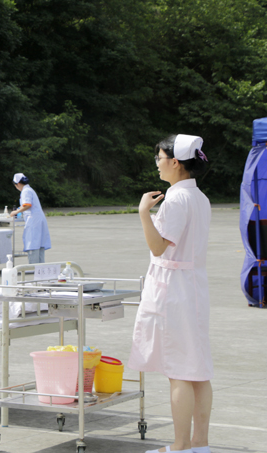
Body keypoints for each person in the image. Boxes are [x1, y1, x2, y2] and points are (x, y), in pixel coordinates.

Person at [130, 134, 212, 453]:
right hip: (192, 286)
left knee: (178, 370)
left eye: (160, 158)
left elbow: (158, 247)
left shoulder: (176, 199)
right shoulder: (199, 198)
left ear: (174, 162)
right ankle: (199, 444)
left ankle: (179, 446)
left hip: (174, 291)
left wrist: (143, 213)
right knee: (198, 369)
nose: (158, 163)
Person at [9, 174, 51, 264]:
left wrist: (15, 212)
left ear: (18, 184)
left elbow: (27, 205)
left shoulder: (25, 191)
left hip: (34, 221)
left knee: (32, 243)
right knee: (39, 244)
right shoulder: (29, 189)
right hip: (38, 219)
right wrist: (19, 210)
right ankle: (40, 267)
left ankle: (33, 266)